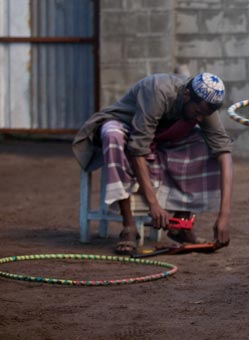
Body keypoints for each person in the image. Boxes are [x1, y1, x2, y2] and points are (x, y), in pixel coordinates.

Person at [72, 72, 233, 254]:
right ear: (187, 95)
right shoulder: (159, 91)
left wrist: (224, 215)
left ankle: (182, 225)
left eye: (205, 115)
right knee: (113, 135)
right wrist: (153, 204)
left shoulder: (203, 105)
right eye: (197, 113)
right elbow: (137, 148)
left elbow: (224, 152)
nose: (200, 119)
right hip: (125, 125)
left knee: (205, 144)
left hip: (157, 134)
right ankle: (129, 226)